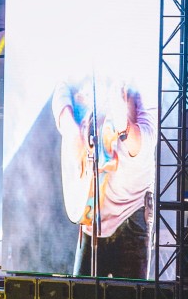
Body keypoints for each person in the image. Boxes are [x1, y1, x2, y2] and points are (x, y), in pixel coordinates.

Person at [53, 76, 153, 279]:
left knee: (129, 298)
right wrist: (72, 132)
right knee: (81, 297)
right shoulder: (91, 71)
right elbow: (63, 87)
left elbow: (144, 144)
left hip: (130, 213)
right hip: (91, 213)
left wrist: (123, 123)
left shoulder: (144, 78)